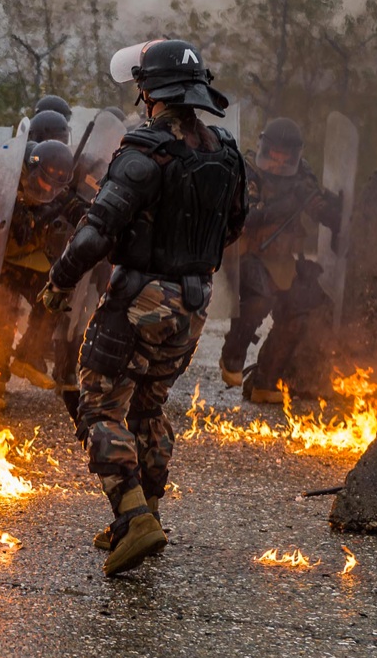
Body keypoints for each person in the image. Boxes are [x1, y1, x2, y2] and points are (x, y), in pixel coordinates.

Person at [41, 39, 247, 576]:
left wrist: (59, 283)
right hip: (195, 303)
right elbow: (233, 227)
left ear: (151, 92)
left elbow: (95, 234)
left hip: (139, 300)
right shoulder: (224, 150)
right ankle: (146, 512)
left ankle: (133, 519)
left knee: (99, 406)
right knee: (148, 408)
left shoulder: (143, 152)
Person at [218, 117, 340, 402]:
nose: (279, 160)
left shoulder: (302, 176)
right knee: (261, 295)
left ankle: (265, 382)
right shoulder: (246, 172)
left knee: (304, 307)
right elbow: (247, 217)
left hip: (281, 261)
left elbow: (315, 206)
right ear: (265, 147)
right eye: (274, 153)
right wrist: (288, 203)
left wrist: (330, 213)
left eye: (285, 155)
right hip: (243, 253)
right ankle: (232, 356)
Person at [0, 140, 81, 409]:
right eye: (44, 183)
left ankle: (30, 355)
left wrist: (90, 217)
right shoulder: (4, 175)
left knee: (55, 293)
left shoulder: (58, 188)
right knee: (0, 315)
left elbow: (75, 206)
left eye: (54, 187)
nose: (47, 190)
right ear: (31, 169)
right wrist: (22, 214)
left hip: (30, 259)